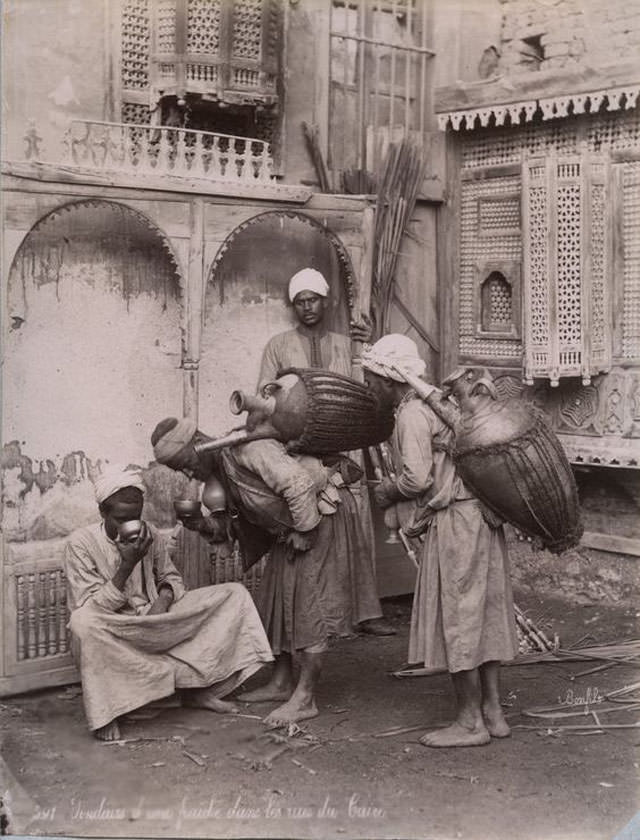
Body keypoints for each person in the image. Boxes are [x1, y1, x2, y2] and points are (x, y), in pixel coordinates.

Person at [151, 417, 384, 726]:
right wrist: (201, 524)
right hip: (290, 529)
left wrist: (306, 530)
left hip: (320, 517)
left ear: (199, 445)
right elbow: (228, 527)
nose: (186, 472)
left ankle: (305, 698)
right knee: (276, 600)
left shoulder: (250, 449)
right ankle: (282, 681)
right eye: (179, 468)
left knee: (308, 605)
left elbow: (298, 484)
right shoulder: (216, 478)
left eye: (185, 462)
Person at [362, 335, 519, 748]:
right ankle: (493, 712)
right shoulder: (445, 407)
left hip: (456, 523)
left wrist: (387, 491)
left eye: (371, 379)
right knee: (480, 612)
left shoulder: (412, 414)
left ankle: (469, 723)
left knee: (460, 617)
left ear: (389, 378)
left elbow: (417, 478)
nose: (369, 388)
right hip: (481, 517)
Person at [64, 465, 273, 741]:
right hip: (118, 627)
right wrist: (127, 565)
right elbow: (90, 608)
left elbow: (171, 578)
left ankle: (198, 690)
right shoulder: (80, 543)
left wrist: (162, 601)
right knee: (82, 624)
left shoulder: (148, 531)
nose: (131, 524)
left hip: (158, 618)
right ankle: (108, 710)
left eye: (136, 516)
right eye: (121, 518)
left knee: (234, 594)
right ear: (103, 513)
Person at [257, 266, 394, 637]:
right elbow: (266, 396)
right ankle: (316, 613)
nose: (307, 307)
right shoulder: (278, 345)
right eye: (300, 302)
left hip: (345, 442)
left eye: (313, 300)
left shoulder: (347, 342)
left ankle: (366, 612)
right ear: (293, 306)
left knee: (356, 518)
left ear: (325, 301)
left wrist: (369, 343)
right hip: (299, 447)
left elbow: (375, 383)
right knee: (310, 525)